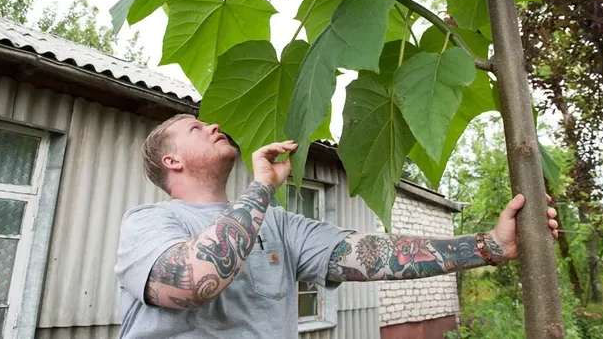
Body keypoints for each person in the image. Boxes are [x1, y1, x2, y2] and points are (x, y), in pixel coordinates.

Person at [115, 114, 559, 338]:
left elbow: (373, 255)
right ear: (171, 161)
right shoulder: (149, 222)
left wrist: (488, 246)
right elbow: (194, 281)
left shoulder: (281, 225)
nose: (212, 123)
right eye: (195, 127)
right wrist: (262, 186)